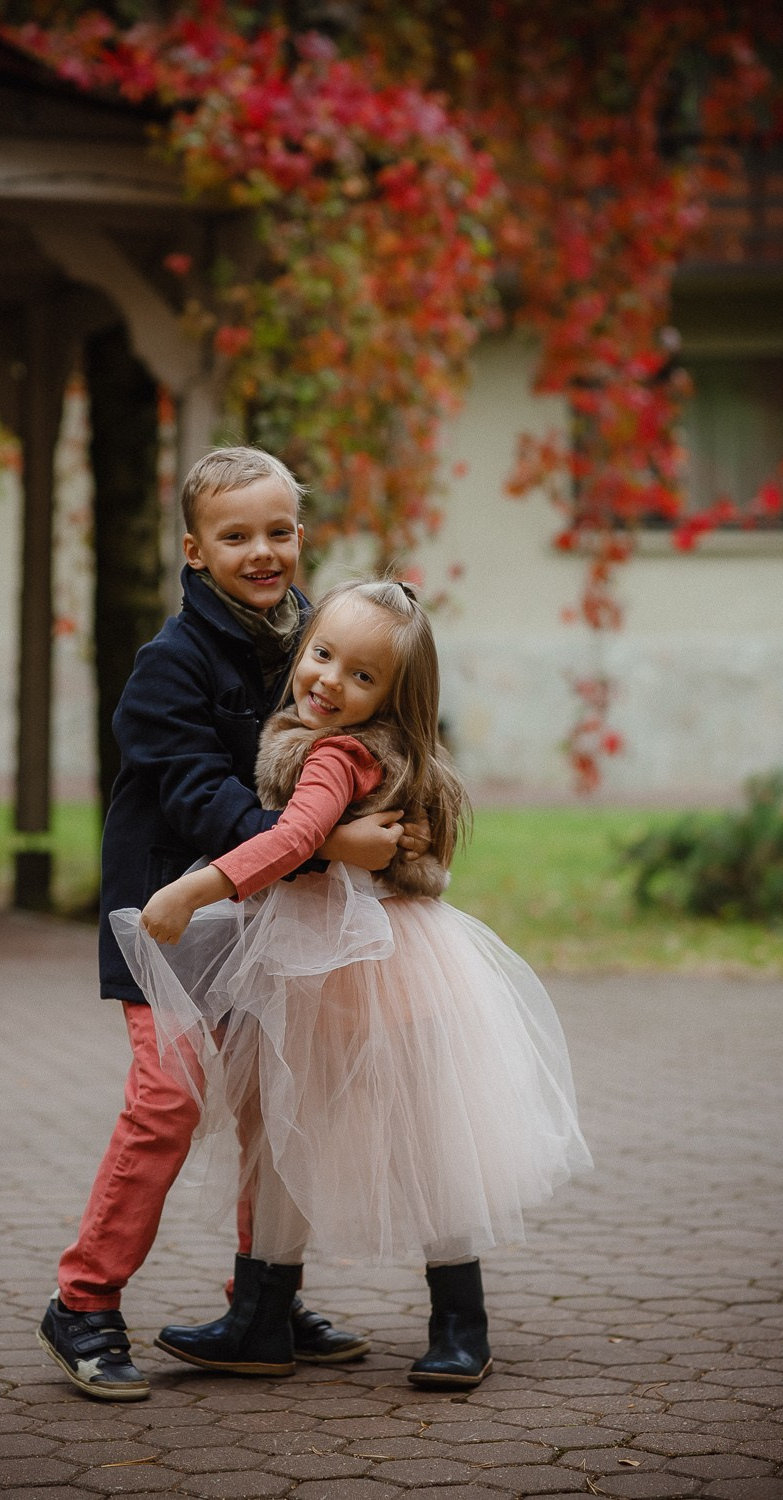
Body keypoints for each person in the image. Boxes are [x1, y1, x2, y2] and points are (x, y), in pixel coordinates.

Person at [111, 578, 593, 1389]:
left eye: (362, 675)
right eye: (323, 655)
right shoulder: (370, 743)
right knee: (296, 1131)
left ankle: (448, 1322)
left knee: (405, 1133)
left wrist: (193, 890)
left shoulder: (335, 751)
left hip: (366, 968)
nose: (330, 681)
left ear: (394, 696)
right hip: (338, 961)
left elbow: (293, 839)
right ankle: (271, 1316)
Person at [38, 450, 427, 1400]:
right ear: (195, 551)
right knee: (167, 1101)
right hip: (169, 922)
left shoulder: (311, 643)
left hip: (266, 923)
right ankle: (83, 1302)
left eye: (279, 532)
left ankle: (264, 1299)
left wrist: (401, 817)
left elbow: (367, 742)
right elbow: (203, 799)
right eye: (236, 535)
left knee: (273, 1106)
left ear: (300, 537)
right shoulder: (168, 666)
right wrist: (333, 844)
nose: (262, 551)